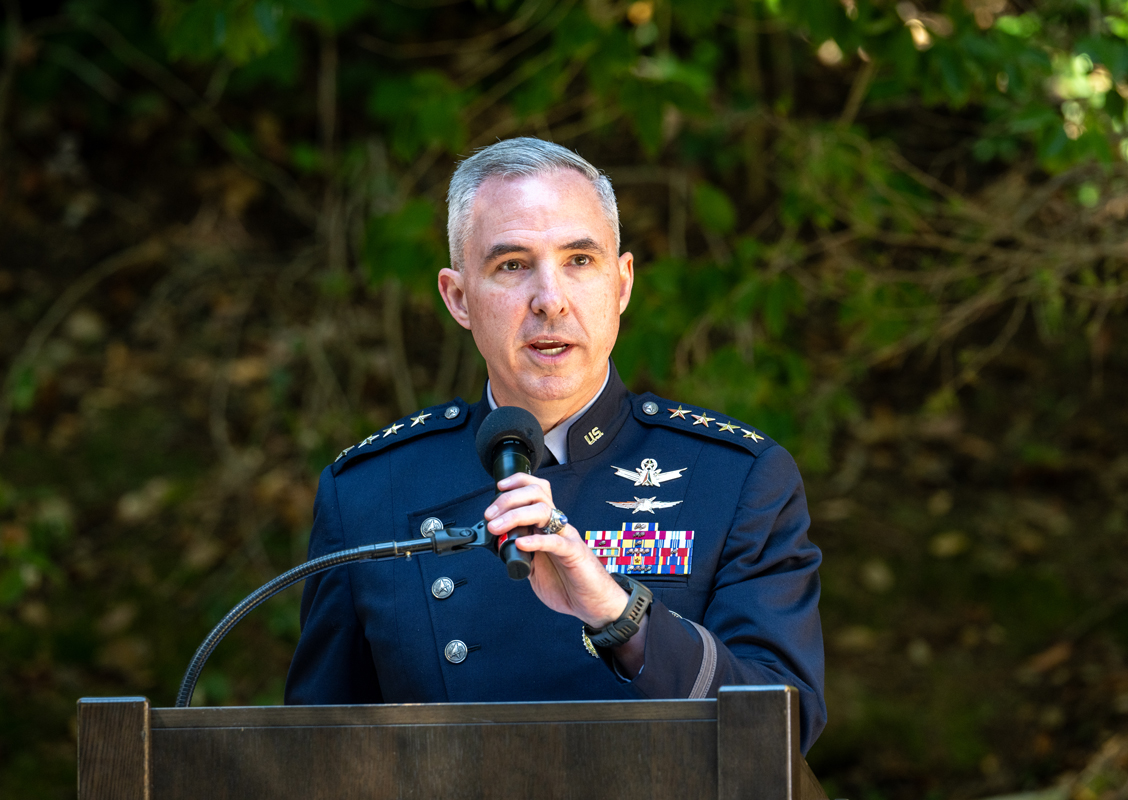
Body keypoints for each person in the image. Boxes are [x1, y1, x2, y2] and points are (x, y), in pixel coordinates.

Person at [285, 138, 826, 753]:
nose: (550, 299)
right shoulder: (369, 493)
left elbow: (782, 733)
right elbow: (316, 752)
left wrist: (620, 616)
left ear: (621, 284)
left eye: (579, 260)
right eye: (512, 265)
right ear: (458, 298)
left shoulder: (735, 481)